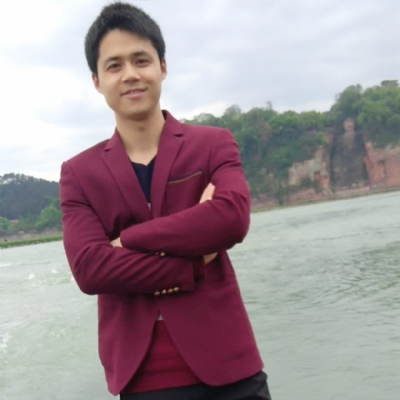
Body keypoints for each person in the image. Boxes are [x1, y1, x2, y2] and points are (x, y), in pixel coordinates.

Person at [59, 2, 272, 399]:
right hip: (143, 378)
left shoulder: (212, 144)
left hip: (231, 369)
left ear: (162, 67)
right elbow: (90, 269)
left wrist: (128, 241)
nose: (130, 74)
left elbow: (231, 219)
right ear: (97, 81)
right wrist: (193, 261)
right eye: (114, 65)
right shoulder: (79, 174)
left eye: (141, 60)